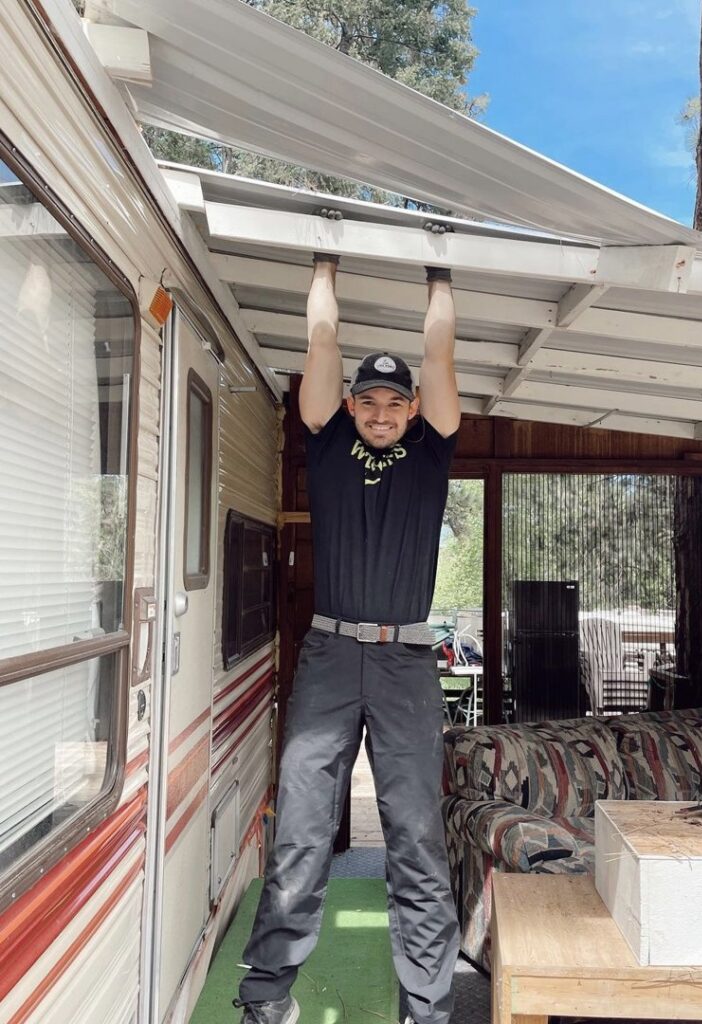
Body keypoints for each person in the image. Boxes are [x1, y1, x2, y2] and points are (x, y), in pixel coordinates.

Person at [234, 252, 461, 1024]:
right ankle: (267, 999)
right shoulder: (327, 443)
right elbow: (322, 343)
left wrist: (439, 279)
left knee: (417, 841)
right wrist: (323, 263)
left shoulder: (431, 451)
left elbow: (439, 356)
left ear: (412, 408)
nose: (381, 413)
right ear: (352, 405)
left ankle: (426, 1010)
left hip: (405, 662)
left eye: (395, 402)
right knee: (300, 833)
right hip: (330, 657)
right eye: (369, 401)